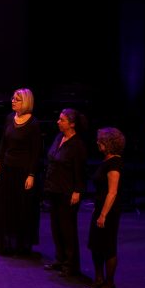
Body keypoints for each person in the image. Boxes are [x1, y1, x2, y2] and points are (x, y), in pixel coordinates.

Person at [0, 88, 42, 255]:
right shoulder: (10, 118)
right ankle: (3, 243)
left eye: (17, 99)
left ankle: (19, 245)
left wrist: (31, 174)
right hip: (7, 168)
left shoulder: (33, 123)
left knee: (21, 207)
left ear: (25, 102)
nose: (13, 101)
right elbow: (3, 144)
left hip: (23, 171)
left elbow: (36, 152)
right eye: (13, 98)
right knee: (4, 206)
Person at [43, 108, 88, 277]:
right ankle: (60, 259)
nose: (58, 122)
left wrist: (77, 191)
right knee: (56, 227)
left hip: (67, 192)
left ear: (72, 124)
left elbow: (80, 171)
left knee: (67, 229)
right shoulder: (59, 138)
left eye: (62, 119)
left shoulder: (77, 145)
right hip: (54, 189)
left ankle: (71, 264)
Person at [84, 127, 125, 288]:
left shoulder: (114, 163)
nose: (97, 143)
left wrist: (103, 215)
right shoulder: (106, 160)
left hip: (109, 212)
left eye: (100, 141)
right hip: (100, 209)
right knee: (96, 245)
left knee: (107, 247)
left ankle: (109, 284)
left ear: (108, 143)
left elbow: (113, 192)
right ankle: (99, 279)